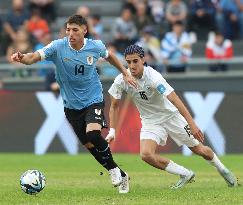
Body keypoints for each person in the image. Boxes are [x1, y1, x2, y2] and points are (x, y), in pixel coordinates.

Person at [11, 14, 136, 192]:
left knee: (93, 134)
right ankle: (121, 174)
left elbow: (110, 56)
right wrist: (22, 57)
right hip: (71, 105)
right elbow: (33, 58)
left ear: (84, 31)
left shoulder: (95, 46)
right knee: (90, 146)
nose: (70, 33)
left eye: (75, 30)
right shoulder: (57, 46)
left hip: (93, 98)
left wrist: (124, 72)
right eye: (68, 30)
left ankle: (114, 170)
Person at [106, 44, 238, 190]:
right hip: (151, 122)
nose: (131, 66)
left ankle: (223, 170)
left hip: (171, 117)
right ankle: (185, 174)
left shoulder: (154, 78)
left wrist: (192, 124)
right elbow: (114, 105)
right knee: (146, 155)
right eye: (128, 62)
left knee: (200, 150)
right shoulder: (122, 79)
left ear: (143, 60)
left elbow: (175, 99)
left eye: (135, 61)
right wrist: (112, 130)